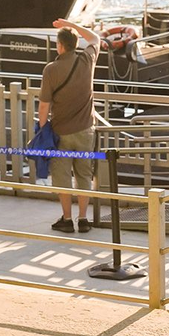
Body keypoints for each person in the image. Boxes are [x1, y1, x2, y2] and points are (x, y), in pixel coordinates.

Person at [38, 18, 100, 234]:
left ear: (60, 45)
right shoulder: (87, 60)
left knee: (62, 177)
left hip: (60, 131)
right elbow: (95, 38)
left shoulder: (51, 69)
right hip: (85, 130)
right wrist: (72, 25)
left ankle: (67, 219)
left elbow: (44, 105)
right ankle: (83, 219)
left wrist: (42, 129)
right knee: (84, 175)